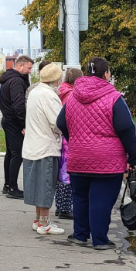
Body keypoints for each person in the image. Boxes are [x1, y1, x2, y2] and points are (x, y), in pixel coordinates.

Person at [56, 57, 136, 250]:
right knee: (101, 199)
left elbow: (61, 123)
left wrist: (75, 139)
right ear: (106, 74)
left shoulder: (74, 96)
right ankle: (100, 240)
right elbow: (126, 128)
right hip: (107, 160)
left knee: (80, 197)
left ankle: (80, 235)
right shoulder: (113, 97)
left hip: (78, 157)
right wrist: (133, 158)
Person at [22, 63, 64, 234]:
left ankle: (38, 219)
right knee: (46, 184)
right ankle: (44, 223)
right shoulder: (49, 95)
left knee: (37, 184)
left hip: (32, 145)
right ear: (56, 79)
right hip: (46, 145)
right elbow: (58, 122)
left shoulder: (35, 92)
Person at [0, 55, 34, 198]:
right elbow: (19, 105)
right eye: (29, 68)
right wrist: (23, 125)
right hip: (14, 121)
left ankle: (7, 185)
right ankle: (12, 187)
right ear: (20, 66)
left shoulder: (10, 78)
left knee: (10, 154)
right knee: (17, 155)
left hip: (8, 120)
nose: (30, 71)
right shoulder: (16, 81)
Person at [53, 68, 82, 220]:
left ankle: (60, 206)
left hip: (60, 137)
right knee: (67, 173)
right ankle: (65, 207)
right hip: (68, 137)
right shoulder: (72, 95)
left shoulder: (60, 91)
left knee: (61, 173)